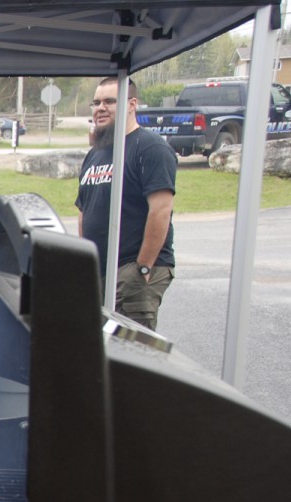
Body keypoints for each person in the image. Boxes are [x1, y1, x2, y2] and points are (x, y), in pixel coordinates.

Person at [76, 76, 177, 331]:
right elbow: (83, 209)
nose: (100, 108)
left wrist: (142, 268)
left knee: (131, 357)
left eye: (110, 101)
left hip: (132, 270)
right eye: (96, 102)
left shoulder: (150, 148)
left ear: (131, 104)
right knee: (100, 351)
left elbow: (161, 210)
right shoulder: (95, 153)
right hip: (99, 272)